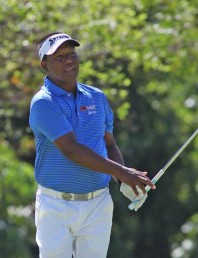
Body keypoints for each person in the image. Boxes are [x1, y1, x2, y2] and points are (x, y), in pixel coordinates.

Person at [29, 32, 155, 258]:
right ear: (44, 64)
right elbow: (71, 149)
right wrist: (123, 172)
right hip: (56, 205)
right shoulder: (43, 103)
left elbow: (109, 144)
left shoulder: (97, 97)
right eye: (59, 57)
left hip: (98, 204)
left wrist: (122, 182)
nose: (69, 60)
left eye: (72, 54)